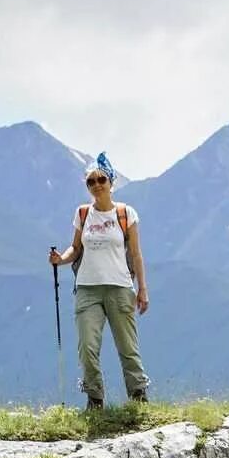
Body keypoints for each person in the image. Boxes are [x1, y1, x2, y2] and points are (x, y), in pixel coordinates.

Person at [49, 153, 151, 407]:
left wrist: (142, 289)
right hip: (87, 289)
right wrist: (61, 259)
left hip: (120, 287)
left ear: (111, 181)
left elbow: (136, 254)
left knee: (127, 348)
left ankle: (138, 398)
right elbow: (75, 248)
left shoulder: (126, 214)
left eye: (101, 179)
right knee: (87, 348)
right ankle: (95, 400)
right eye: (91, 182)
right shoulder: (83, 214)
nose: (96, 185)